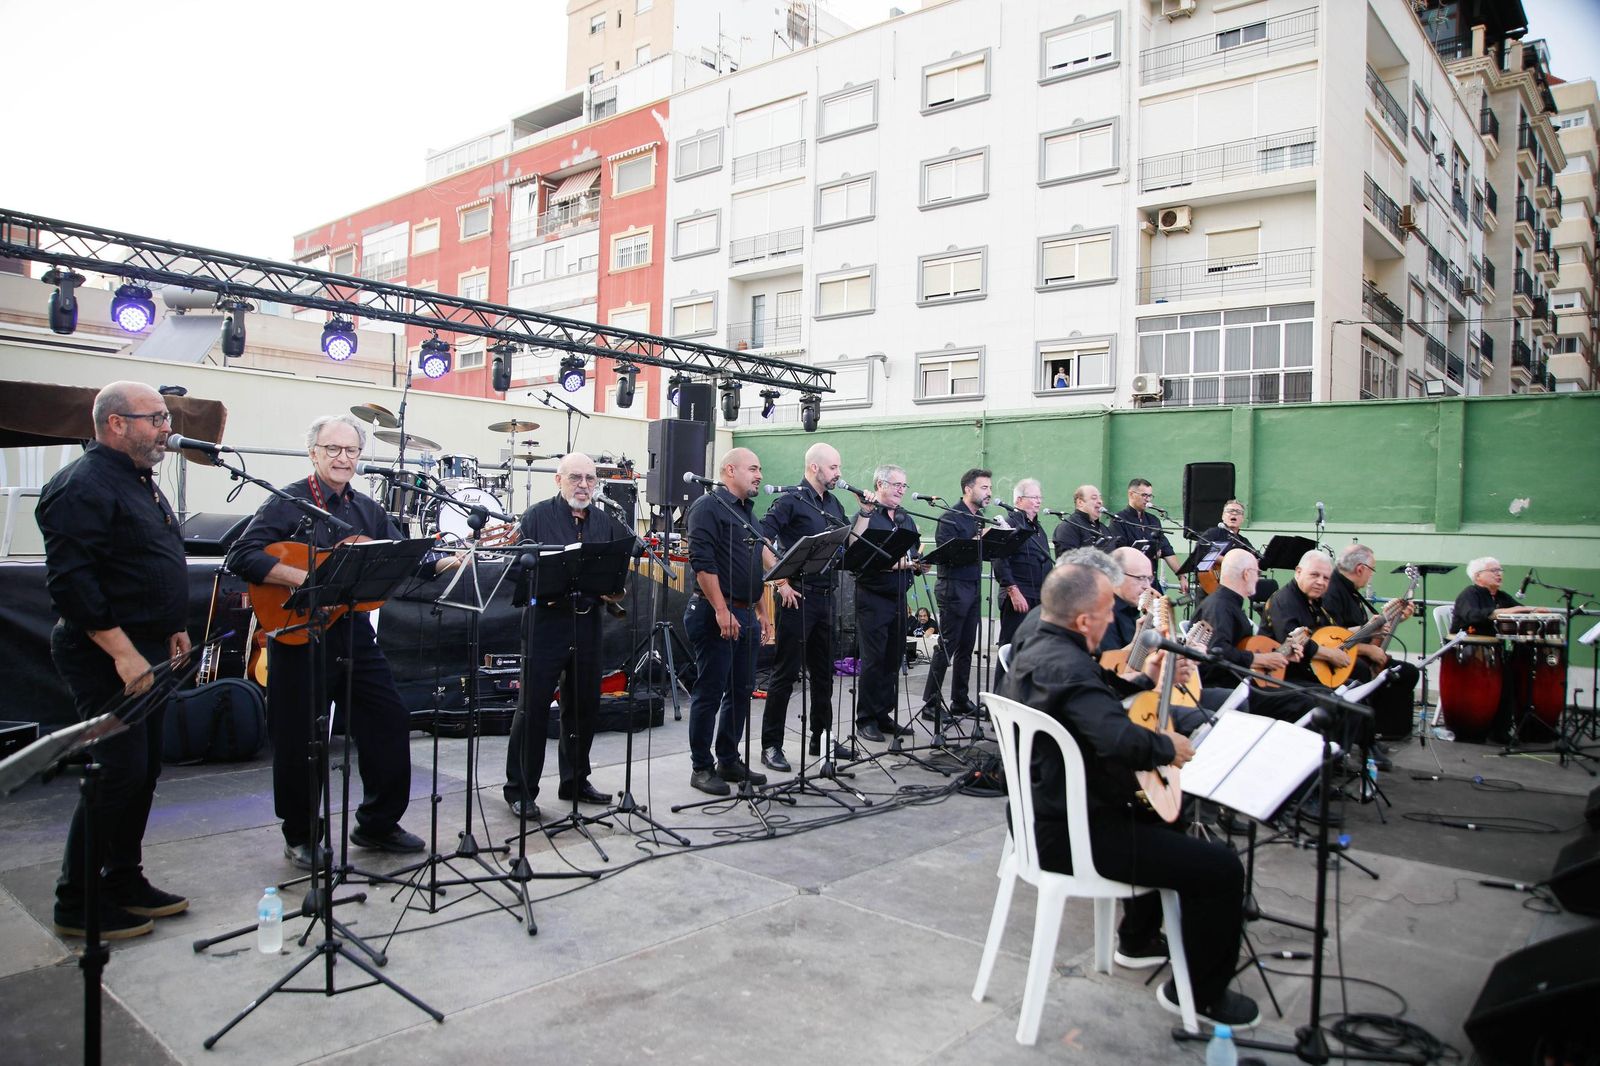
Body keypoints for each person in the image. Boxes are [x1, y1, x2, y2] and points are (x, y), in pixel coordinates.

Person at [1003, 562, 1259, 1030]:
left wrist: (1145, 679)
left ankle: (1137, 940)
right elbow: (1121, 742)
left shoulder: (1041, 641)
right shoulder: (1069, 665)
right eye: (1107, 612)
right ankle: (1201, 996)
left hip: (1039, 814)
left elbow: (1094, 693)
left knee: (1169, 814)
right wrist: (1170, 746)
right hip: (1073, 833)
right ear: (1083, 621)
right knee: (1222, 870)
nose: (1112, 620)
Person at [226, 414, 447, 867]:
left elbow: (401, 555)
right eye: (333, 449)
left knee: (388, 721)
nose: (343, 458)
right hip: (298, 633)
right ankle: (302, 834)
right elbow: (242, 555)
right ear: (314, 453)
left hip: (352, 631)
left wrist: (444, 562)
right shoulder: (286, 503)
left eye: (351, 451)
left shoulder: (367, 509)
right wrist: (305, 577)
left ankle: (378, 823)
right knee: (300, 739)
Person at [36, 381, 192, 939]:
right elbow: (72, 584)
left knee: (144, 769)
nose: (166, 427)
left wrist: (171, 624)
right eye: (155, 418)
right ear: (116, 423)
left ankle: (123, 878)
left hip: (148, 645)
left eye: (166, 417)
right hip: (105, 653)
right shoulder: (82, 485)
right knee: (116, 771)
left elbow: (147, 559)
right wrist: (125, 653)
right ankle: (76, 900)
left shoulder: (138, 480)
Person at [502, 453, 631, 820]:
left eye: (591, 479)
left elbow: (615, 575)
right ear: (558, 479)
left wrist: (609, 585)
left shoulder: (605, 522)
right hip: (546, 620)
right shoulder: (537, 516)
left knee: (584, 705)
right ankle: (521, 789)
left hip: (588, 621)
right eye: (576, 477)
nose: (584, 485)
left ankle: (575, 780)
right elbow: (516, 568)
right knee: (533, 707)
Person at [758, 443, 863, 770]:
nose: (839, 473)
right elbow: (761, 536)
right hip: (796, 595)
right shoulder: (791, 500)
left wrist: (866, 514)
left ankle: (822, 737)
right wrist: (780, 581)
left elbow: (850, 545)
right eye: (833, 467)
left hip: (824, 596)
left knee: (823, 675)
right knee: (785, 674)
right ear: (815, 468)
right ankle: (771, 745)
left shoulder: (832, 504)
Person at [683, 448, 775, 796]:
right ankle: (701, 766)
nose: (759, 475)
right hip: (714, 613)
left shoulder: (748, 512)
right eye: (753, 468)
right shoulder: (707, 507)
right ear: (729, 471)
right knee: (710, 691)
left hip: (745, 612)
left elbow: (753, 564)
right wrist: (722, 611)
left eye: (759, 468)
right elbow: (702, 562)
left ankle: (728, 758)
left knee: (740, 690)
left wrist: (762, 612)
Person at [1192, 549, 1312, 722]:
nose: (1258, 578)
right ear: (1247, 574)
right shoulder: (1220, 606)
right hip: (1226, 689)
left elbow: (1241, 647)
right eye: (1257, 573)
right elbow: (1217, 651)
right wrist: (1261, 659)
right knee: (1303, 702)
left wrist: (1282, 653)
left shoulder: (1228, 604)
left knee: (1307, 694)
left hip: (1240, 682)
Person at [1320, 544, 1421, 743]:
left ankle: (1385, 731)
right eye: (1372, 570)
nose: (1371, 575)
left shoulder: (1350, 590)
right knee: (1364, 672)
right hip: (1339, 658)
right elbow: (1332, 638)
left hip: (1359, 652)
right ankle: (1365, 736)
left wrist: (1394, 619)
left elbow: (1368, 630)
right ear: (1360, 569)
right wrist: (1368, 649)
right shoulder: (1333, 592)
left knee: (1407, 672)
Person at [852, 464, 921, 743]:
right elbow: (856, 556)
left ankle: (883, 714)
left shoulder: (905, 519)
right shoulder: (869, 517)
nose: (901, 491)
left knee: (894, 658)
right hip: (873, 598)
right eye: (896, 485)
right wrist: (895, 565)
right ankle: (865, 718)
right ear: (880, 485)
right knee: (874, 660)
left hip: (898, 598)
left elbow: (913, 551)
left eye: (904, 486)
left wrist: (917, 564)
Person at [920, 468, 992, 721]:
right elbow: (947, 555)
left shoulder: (981, 518)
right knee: (947, 645)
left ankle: (960, 700)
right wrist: (976, 540)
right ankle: (930, 703)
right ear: (968, 489)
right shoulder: (950, 518)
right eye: (984, 488)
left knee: (967, 646)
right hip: (953, 588)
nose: (989, 493)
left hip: (973, 587)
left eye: (990, 488)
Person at [992, 478, 1052, 690]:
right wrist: (1013, 590)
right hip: (1019, 595)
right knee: (1010, 647)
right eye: (1033, 497)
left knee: (1033, 649)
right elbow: (1000, 559)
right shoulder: (1010, 524)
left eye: (1039, 497)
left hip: (1039, 597)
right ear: (1018, 499)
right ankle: (1000, 697)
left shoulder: (1037, 528)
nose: (1038, 501)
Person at [1110, 479, 1186, 594]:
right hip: (1130, 584)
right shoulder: (1118, 520)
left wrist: (1182, 577)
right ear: (1131, 494)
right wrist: (1150, 553)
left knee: (1163, 609)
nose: (1148, 499)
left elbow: (1167, 550)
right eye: (1144, 495)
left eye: (1150, 496)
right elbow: (1120, 553)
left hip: (1151, 581)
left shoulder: (1153, 520)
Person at [1197, 500, 1276, 603]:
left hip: (1233, 591)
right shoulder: (1213, 533)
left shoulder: (1243, 542)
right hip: (1210, 585)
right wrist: (1230, 561)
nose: (1234, 514)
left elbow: (1253, 560)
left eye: (1238, 512)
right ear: (1223, 516)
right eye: (1230, 511)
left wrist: (1257, 564)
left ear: (1242, 519)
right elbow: (1202, 552)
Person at [1450, 556, 1538, 635]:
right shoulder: (1469, 593)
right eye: (1493, 570)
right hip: (1465, 644)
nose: (1499, 574)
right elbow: (1473, 616)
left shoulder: (1501, 595)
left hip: (1495, 645)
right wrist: (1504, 612)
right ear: (1478, 576)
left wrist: (1535, 611)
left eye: (1500, 570)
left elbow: (1519, 610)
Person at [1051, 484, 1115, 557]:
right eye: (1094, 498)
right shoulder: (1068, 527)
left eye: (1100, 498)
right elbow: (1067, 560)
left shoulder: (1103, 528)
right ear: (1080, 502)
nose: (1100, 501)